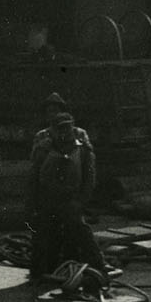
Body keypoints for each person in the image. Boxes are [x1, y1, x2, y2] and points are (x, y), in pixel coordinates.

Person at [26, 106, 105, 287]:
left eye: (67, 128)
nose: (64, 133)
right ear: (52, 131)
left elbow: (89, 179)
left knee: (82, 232)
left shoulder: (83, 150)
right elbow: (33, 179)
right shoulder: (43, 150)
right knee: (42, 236)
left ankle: (99, 268)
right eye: (60, 129)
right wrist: (31, 205)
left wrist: (80, 202)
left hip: (71, 199)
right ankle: (39, 274)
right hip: (47, 199)